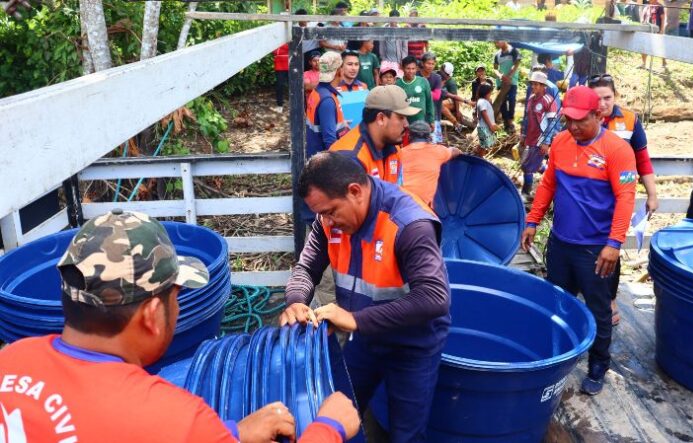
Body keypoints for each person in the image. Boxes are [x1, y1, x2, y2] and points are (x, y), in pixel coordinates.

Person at [0, 209, 360, 443]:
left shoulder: (12, 360)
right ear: (151, 314)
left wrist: (230, 435)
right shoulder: (172, 417)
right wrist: (328, 428)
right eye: (175, 296)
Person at [281, 152, 450, 443]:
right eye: (321, 214)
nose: (327, 221)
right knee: (334, 410)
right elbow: (307, 267)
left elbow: (434, 297)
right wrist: (296, 300)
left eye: (331, 211)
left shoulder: (409, 223)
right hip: (366, 340)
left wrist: (354, 319)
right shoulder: (327, 222)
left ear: (355, 191)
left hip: (413, 345)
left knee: (406, 434)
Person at [522, 86, 637, 396]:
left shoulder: (617, 150)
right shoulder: (561, 142)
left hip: (595, 250)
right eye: (568, 120)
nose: (573, 127)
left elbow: (626, 197)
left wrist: (614, 244)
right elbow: (547, 184)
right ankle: (555, 354)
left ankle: (599, 363)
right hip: (560, 243)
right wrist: (532, 220)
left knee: (599, 308)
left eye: (580, 121)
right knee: (556, 302)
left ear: (598, 115)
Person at [589, 74, 659, 326]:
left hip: (618, 198)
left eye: (607, 98)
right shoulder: (584, 118)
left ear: (615, 96)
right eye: (597, 99)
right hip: (588, 197)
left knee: (612, 246)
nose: (603, 104)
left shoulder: (629, 120)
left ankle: (610, 298)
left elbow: (642, 159)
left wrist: (652, 193)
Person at [330, 85, 419, 183]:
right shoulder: (348, 159)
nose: (407, 125)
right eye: (401, 117)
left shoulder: (393, 148)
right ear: (381, 119)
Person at [519, 71, 560, 198]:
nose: (534, 87)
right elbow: (527, 118)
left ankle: (526, 193)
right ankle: (555, 175)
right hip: (530, 137)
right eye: (533, 84)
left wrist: (546, 142)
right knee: (535, 165)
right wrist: (523, 134)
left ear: (544, 86)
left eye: (537, 84)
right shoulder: (531, 99)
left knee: (527, 167)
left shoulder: (549, 101)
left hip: (540, 139)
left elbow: (552, 124)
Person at [401, 121, 461, 206]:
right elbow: (455, 151)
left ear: (409, 136)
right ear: (429, 136)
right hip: (423, 208)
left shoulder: (400, 153)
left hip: (400, 203)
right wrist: (458, 151)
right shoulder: (438, 151)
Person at [306, 51, 349, 159]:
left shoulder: (317, 92)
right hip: (324, 162)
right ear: (339, 71)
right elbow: (330, 141)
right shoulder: (327, 100)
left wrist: (341, 124)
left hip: (314, 155)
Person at [396, 56, 435, 128]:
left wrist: (431, 120)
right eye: (408, 68)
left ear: (416, 68)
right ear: (402, 68)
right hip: (404, 124)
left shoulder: (423, 81)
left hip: (421, 122)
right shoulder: (397, 84)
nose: (411, 71)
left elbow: (429, 102)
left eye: (413, 68)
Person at [493, 40, 522, 133]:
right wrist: (500, 76)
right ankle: (506, 122)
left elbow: (516, 64)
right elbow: (495, 68)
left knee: (512, 99)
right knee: (502, 103)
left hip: (512, 81)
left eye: (498, 41)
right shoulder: (497, 55)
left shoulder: (514, 51)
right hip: (500, 82)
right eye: (496, 43)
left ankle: (510, 120)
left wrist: (509, 76)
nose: (497, 44)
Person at [439, 62, 473, 134]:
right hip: (442, 101)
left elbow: (455, 97)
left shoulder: (451, 82)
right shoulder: (439, 77)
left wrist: (457, 111)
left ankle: (456, 124)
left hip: (451, 102)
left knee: (441, 104)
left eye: (442, 69)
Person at [419, 52, 444, 142]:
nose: (430, 66)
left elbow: (437, 96)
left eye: (433, 64)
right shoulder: (416, 75)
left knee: (433, 142)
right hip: (418, 113)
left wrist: (421, 91)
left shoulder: (437, 78)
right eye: (428, 63)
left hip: (432, 114)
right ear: (422, 63)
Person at [379, 10, 408, 77]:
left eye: (396, 19)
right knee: (385, 78)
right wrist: (383, 58)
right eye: (393, 19)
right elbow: (381, 45)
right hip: (386, 61)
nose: (394, 21)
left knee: (397, 80)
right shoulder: (384, 29)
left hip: (398, 61)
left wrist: (402, 61)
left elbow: (405, 48)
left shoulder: (402, 30)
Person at [640, 0, 667, 68]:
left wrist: (661, 30)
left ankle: (664, 62)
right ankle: (643, 63)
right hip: (646, 30)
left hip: (656, 30)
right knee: (644, 46)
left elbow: (663, 19)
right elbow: (643, 18)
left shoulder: (660, 7)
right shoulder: (647, 7)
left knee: (660, 46)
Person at [475, 83, 498, 156]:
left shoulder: (484, 101)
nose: (490, 95)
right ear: (486, 93)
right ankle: (480, 158)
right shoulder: (482, 101)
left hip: (485, 127)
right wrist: (490, 125)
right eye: (490, 93)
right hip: (484, 127)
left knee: (483, 144)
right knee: (484, 146)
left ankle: (475, 153)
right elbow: (484, 112)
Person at [273, 42, 289, 113]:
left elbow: (292, 47)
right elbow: (274, 51)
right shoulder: (276, 38)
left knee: (293, 86)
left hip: (290, 64)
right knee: (279, 86)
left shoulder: (289, 35)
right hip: (279, 65)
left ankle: (297, 104)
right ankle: (280, 106)